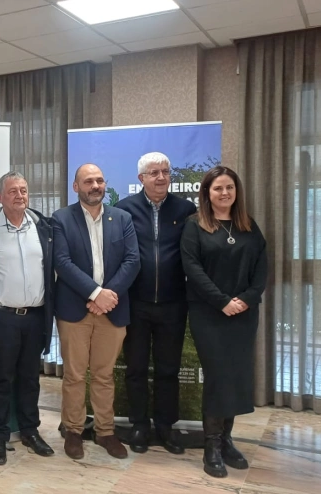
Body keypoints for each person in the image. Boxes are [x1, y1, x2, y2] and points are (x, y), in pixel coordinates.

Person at [180, 166, 267, 478]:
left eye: (229, 187)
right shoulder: (195, 226)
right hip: (209, 314)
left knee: (236, 375)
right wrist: (222, 301)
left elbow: (261, 268)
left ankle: (227, 439)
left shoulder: (248, 226)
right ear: (207, 192)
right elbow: (192, 269)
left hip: (244, 314)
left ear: (236, 191)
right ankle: (212, 445)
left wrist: (246, 299)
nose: (224, 193)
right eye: (218, 188)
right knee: (218, 376)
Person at [52, 163, 140, 461]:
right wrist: (95, 293)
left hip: (112, 309)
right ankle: (73, 431)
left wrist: (107, 296)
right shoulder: (61, 219)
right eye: (88, 181)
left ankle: (105, 432)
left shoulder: (122, 218)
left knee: (104, 375)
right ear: (76, 187)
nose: (95, 186)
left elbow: (132, 261)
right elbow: (62, 262)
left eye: (100, 180)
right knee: (74, 375)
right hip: (74, 310)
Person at [113, 152, 197, 455]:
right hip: (135, 303)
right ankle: (139, 425)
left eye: (165, 172)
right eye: (154, 173)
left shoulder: (185, 209)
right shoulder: (123, 210)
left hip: (174, 303)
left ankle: (165, 426)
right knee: (135, 368)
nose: (161, 177)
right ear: (141, 179)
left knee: (168, 369)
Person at [0, 171, 56, 466]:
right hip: (2, 317)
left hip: (35, 316)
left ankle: (30, 431)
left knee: (30, 378)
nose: (20, 195)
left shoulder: (44, 226)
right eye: (12, 191)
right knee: (1, 378)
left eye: (23, 190)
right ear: (0, 197)